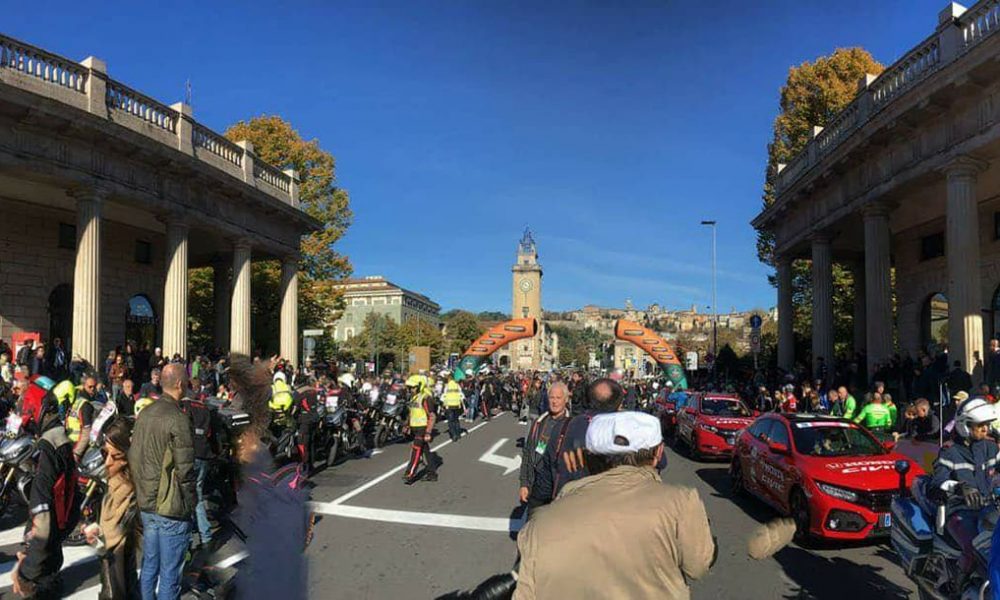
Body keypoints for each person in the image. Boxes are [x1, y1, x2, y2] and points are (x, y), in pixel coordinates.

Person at [514, 411, 716, 600]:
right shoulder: (681, 502)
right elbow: (698, 566)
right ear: (658, 453)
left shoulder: (540, 524)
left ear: (589, 456)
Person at [129, 363, 195, 600]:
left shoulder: (145, 413)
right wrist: (191, 502)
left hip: (147, 502)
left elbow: (133, 457)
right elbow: (186, 469)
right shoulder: (178, 418)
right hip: (170, 506)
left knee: (150, 565)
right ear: (179, 384)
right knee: (170, 573)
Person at [11, 383, 78, 599]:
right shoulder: (62, 440)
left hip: (41, 565)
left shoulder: (47, 448)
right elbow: (71, 498)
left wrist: (27, 570)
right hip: (54, 547)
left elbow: (42, 514)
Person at [930, 398, 999, 577]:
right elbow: (936, 483)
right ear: (964, 426)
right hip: (960, 511)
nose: (985, 429)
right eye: (980, 425)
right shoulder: (949, 451)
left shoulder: (990, 447)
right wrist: (959, 488)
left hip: (989, 508)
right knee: (974, 548)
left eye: (987, 424)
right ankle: (957, 585)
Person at [86, 418, 140, 600]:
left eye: (115, 456)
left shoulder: (129, 496)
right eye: (104, 453)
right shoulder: (112, 486)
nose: (108, 462)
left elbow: (117, 565)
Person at [519, 381, 570, 517]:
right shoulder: (540, 423)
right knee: (533, 524)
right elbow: (528, 453)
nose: (554, 401)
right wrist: (524, 483)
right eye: (552, 397)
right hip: (538, 485)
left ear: (566, 400)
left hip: (560, 488)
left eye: (558, 398)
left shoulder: (572, 425)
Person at [403, 374, 439, 484]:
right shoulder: (414, 397)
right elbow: (412, 413)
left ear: (419, 386)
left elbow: (432, 416)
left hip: (422, 429)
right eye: (409, 387)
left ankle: (410, 473)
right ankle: (432, 473)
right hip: (415, 428)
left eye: (413, 387)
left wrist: (428, 432)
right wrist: (407, 425)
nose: (411, 390)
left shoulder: (425, 398)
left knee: (416, 450)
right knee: (425, 451)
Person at [67, 374, 98, 460]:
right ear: (84, 386)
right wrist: (77, 453)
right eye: (90, 387)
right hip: (78, 445)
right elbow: (86, 431)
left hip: (70, 442)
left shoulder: (77, 400)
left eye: (94, 387)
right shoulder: (85, 405)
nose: (93, 389)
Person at [441, 374, 465, 442]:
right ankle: (458, 434)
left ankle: (454, 435)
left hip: (449, 405)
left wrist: (442, 404)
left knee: (451, 421)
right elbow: (461, 395)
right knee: (456, 419)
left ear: (449, 379)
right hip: (457, 404)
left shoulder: (447, 386)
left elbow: (444, 396)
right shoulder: (457, 385)